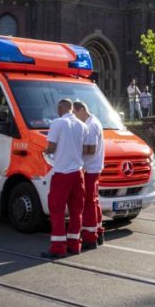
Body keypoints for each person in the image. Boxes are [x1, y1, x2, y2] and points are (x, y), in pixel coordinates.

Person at [42, 98, 86, 258]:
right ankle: (75, 244)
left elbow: (52, 147)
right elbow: (86, 148)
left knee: (57, 209)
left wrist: (46, 151)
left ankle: (58, 247)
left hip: (62, 172)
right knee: (76, 211)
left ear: (61, 108)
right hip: (78, 173)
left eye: (57, 109)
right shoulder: (82, 125)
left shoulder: (57, 123)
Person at [73, 101, 105, 249]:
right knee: (94, 200)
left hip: (90, 168)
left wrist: (75, 150)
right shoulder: (95, 121)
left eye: (74, 114)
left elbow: (91, 149)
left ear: (80, 110)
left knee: (88, 202)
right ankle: (98, 231)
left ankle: (90, 236)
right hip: (95, 167)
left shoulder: (90, 126)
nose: (75, 118)